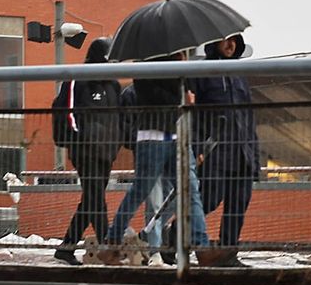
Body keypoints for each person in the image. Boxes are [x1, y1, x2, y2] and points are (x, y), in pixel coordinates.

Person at [105, 53, 209, 257]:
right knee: (142, 191)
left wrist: (182, 68)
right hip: (152, 136)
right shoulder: (145, 65)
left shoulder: (178, 65)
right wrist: (177, 81)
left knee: (190, 191)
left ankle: (202, 246)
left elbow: (192, 89)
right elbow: (157, 97)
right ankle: (114, 240)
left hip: (176, 136)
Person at [50, 37, 122, 265]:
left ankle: (66, 247)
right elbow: (66, 111)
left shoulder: (114, 86)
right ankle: (107, 248)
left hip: (105, 152)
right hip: (85, 150)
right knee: (96, 199)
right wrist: (77, 139)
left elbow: (118, 118)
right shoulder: (77, 80)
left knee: (92, 200)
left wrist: (116, 143)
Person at [191, 34, 260, 253]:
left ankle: (228, 252)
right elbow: (192, 114)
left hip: (242, 154)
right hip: (215, 152)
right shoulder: (202, 72)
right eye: (225, 40)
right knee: (209, 200)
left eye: (235, 41)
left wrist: (254, 157)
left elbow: (249, 118)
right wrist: (197, 146)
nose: (230, 45)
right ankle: (174, 238)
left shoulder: (239, 74)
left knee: (238, 205)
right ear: (214, 42)